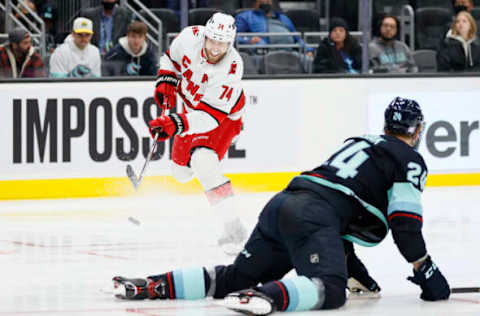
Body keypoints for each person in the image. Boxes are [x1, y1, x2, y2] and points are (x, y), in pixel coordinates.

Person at [111, 97, 450, 315]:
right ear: (417, 130)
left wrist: (359, 275)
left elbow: (344, 220)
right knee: (330, 289)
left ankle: (150, 285)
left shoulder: (359, 142)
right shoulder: (408, 158)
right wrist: (428, 271)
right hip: (314, 217)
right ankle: (265, 297)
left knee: (232, 277)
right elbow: (405, 225)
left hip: (284, 204)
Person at [147, 12, 248, 250]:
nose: (215, 48)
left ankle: (232, 227)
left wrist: (175, 123)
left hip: (221, 119)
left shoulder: (232, 68)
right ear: (205, 35)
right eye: (213, 40)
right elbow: (170, 60)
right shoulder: (189, 37)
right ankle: (209, 175)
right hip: (194, 110)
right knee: (181, 173)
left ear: (230, 43)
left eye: (222, 43)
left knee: (204, 163)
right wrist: (166, 80)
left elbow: (210, 117)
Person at [235, 0, 314, 57]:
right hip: (265, 53)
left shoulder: (283, 17)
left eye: (269, 1)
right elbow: (234, 37)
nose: (267, 2)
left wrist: (308, 49)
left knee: (308, 59)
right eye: (264, 0)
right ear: (256, 2)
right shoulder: (245, 16)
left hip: (290, 52)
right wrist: (249, 40)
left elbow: (297, 37)